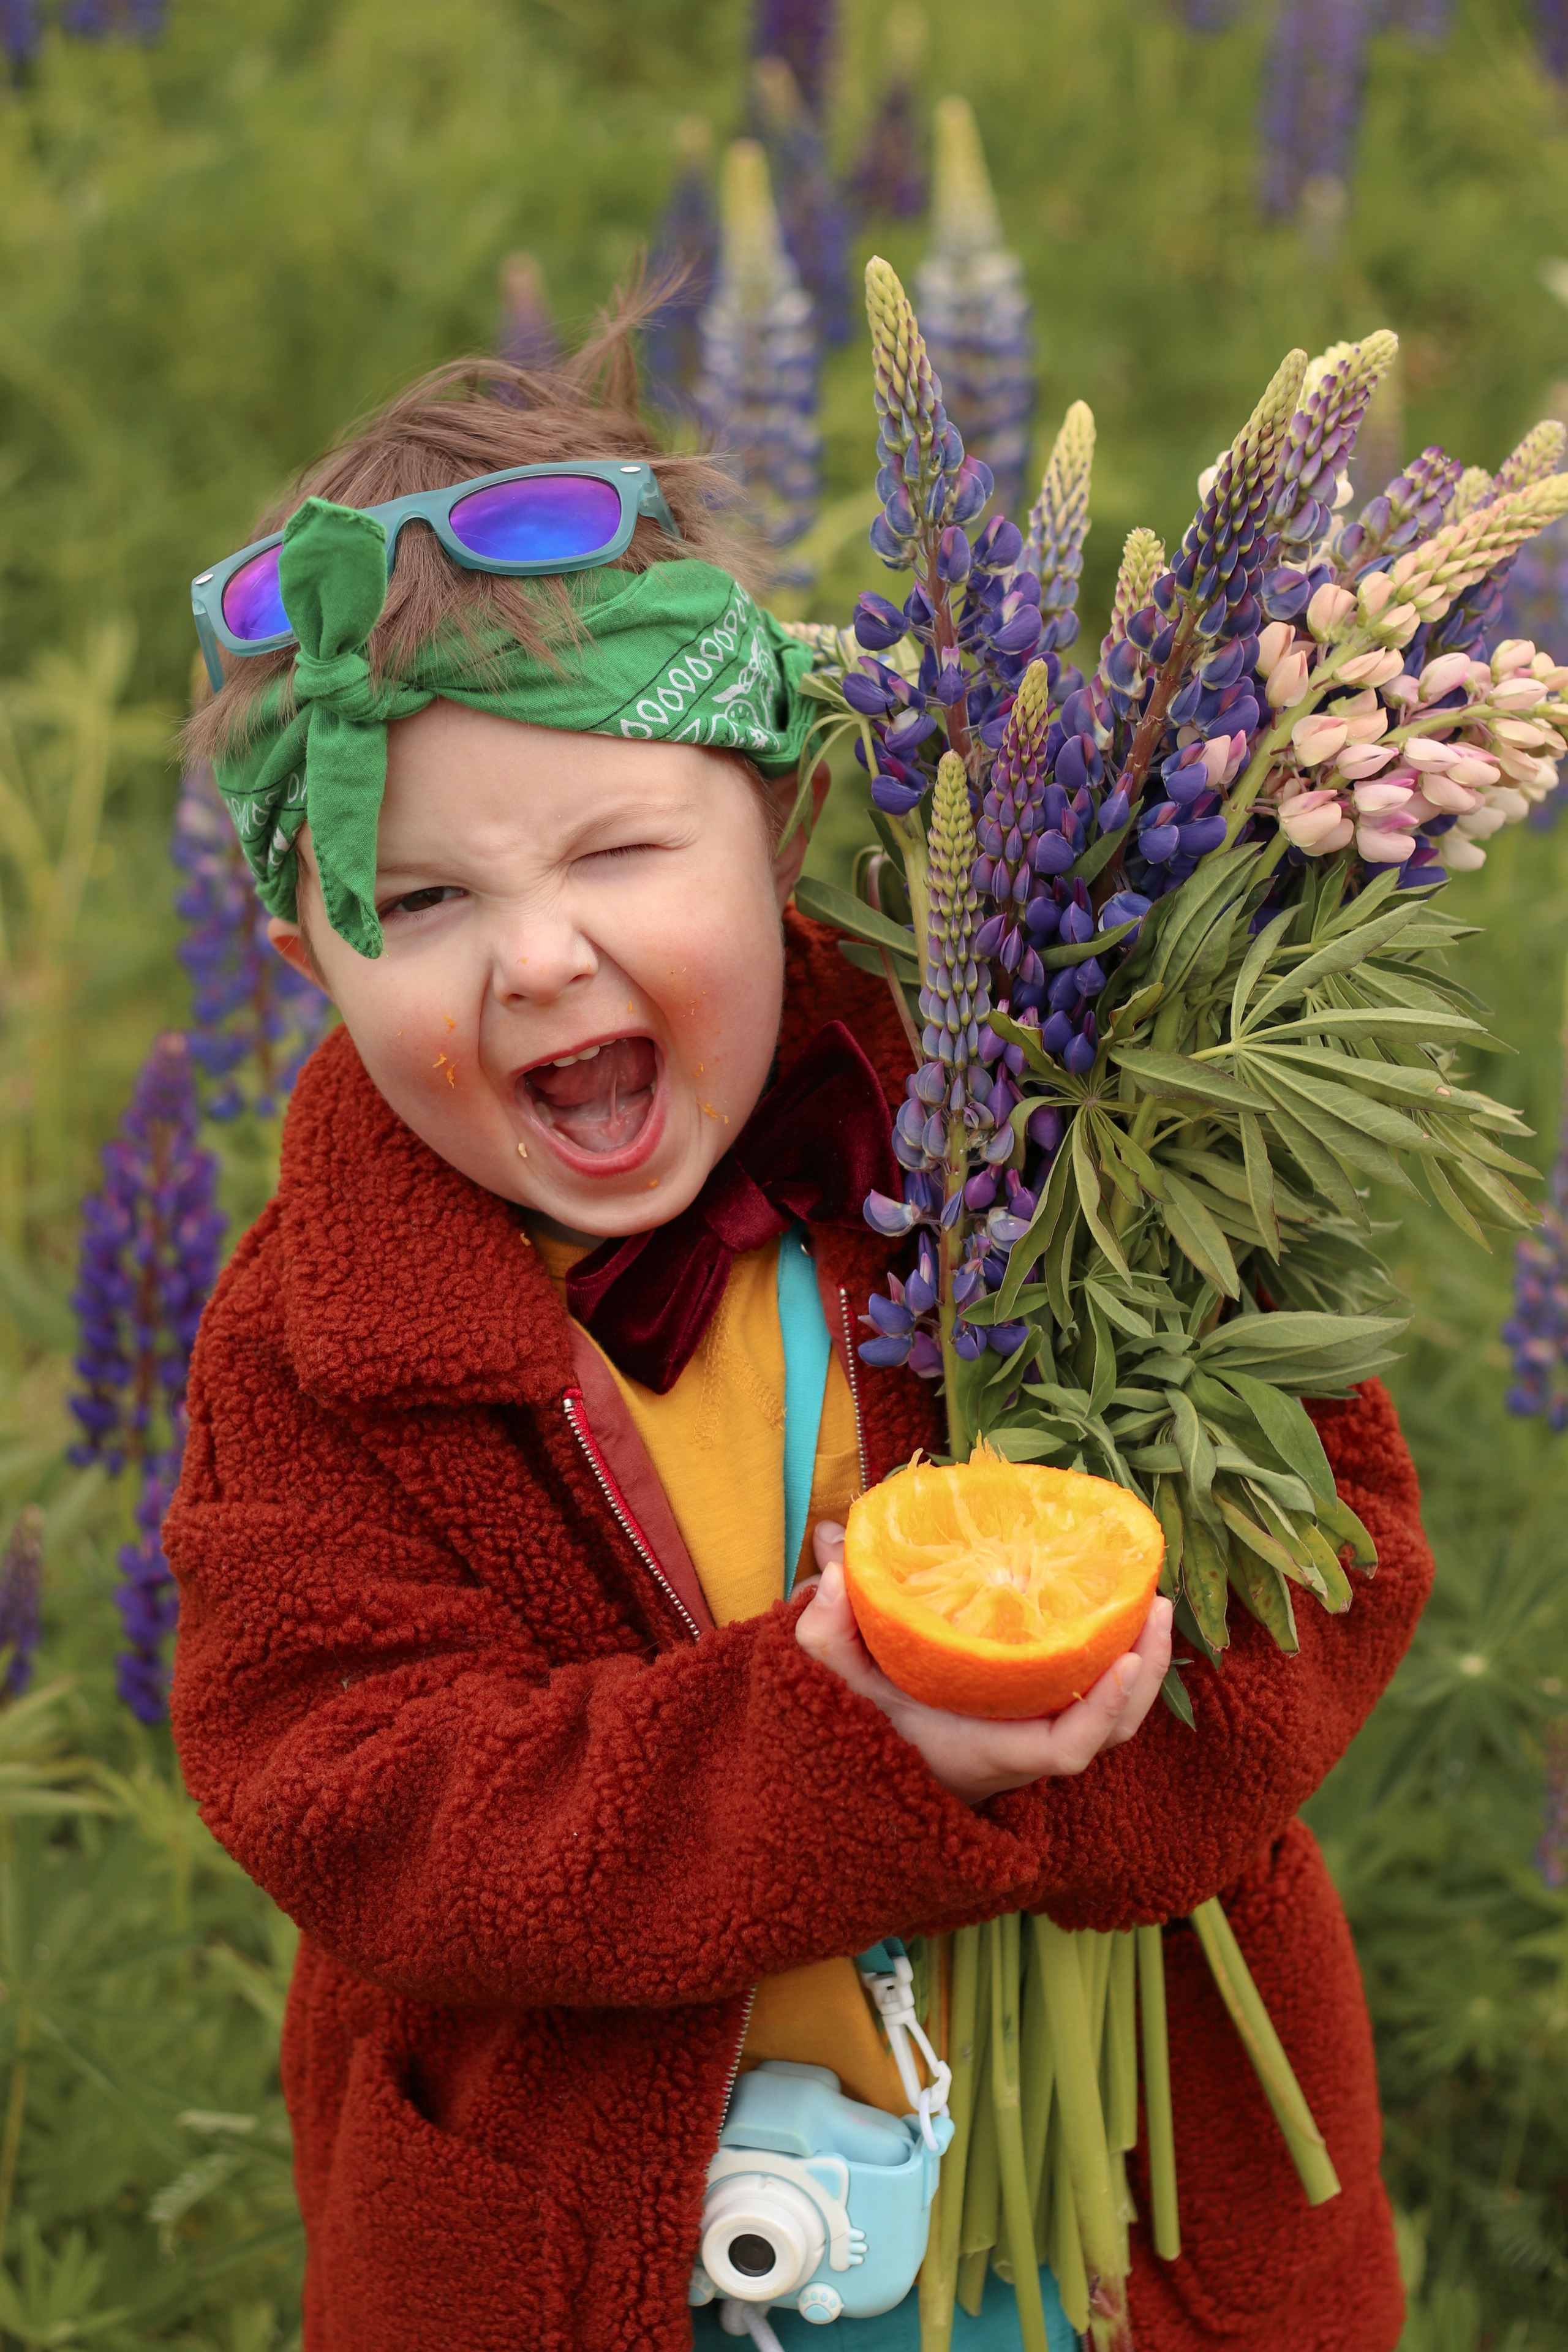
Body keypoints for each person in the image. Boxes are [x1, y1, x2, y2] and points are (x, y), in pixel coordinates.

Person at [167, 293, 1431, 2352]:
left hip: (1094, 2229)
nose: (538, 956)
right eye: (423, 904)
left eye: (617, 852)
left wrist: (1078, 1757)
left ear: (783, 826)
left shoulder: (1048, 1137)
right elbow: (360, 1796)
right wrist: (838, 1755)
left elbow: (1333, 1540)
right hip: (602, 2257)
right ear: (305, 946)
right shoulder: (315, 1347)